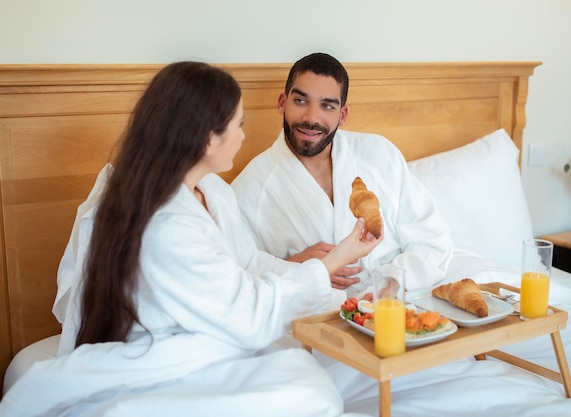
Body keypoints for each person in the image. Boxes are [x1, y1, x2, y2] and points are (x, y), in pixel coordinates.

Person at [0, 61, 381, 417]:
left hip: (213, 333)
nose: (244, 135)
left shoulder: (213, 192)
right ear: (206, 140)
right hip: (168, 352)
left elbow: (247, 264)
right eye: (238, 124)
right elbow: (247, 312)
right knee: (310, 390)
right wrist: (329, 264)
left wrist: (341, 297)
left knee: (308, 377)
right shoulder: (164, 224)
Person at [231, 52, 453, 304]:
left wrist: (391, 285)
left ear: (343, 115)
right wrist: (294, 266)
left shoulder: (380, 154)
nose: (312, 118)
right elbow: (235, 275)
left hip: (395, 303)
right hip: (317, 312)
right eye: (301, 101)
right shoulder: (250, 189)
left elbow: (432, 240)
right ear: (283, 102)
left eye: (327, 106)